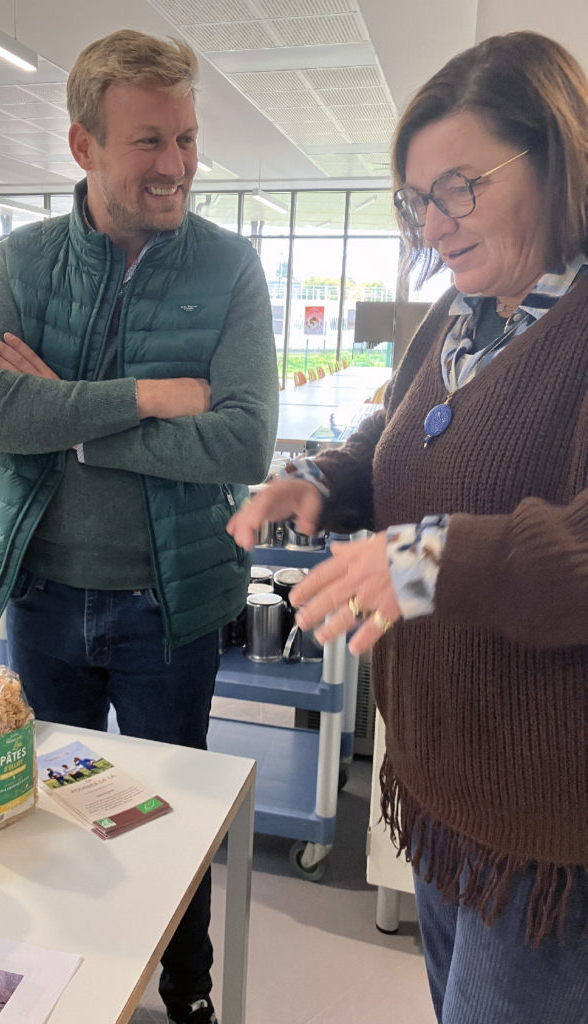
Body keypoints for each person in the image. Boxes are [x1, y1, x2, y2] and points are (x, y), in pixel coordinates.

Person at [228, 30, 588, 1024]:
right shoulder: (455, 315)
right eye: (417, 200)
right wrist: (325, 482)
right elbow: (400, 434)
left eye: (459, 189)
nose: (433, 224)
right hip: (438, 790)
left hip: (544, 829)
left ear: (556, 157)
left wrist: (429, 559)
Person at [0, 28, 277, 1024]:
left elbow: (243, 442)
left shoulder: (230, 270)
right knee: (42, 818)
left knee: (168, 828)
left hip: (169, 608)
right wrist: (140, 396)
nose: (175, 164)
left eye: (185, 138)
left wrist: (78, 426)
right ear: (85, 145)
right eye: (148, 140)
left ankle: (188, 998)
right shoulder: (25, 259)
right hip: (43, 604)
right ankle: (69, 988)